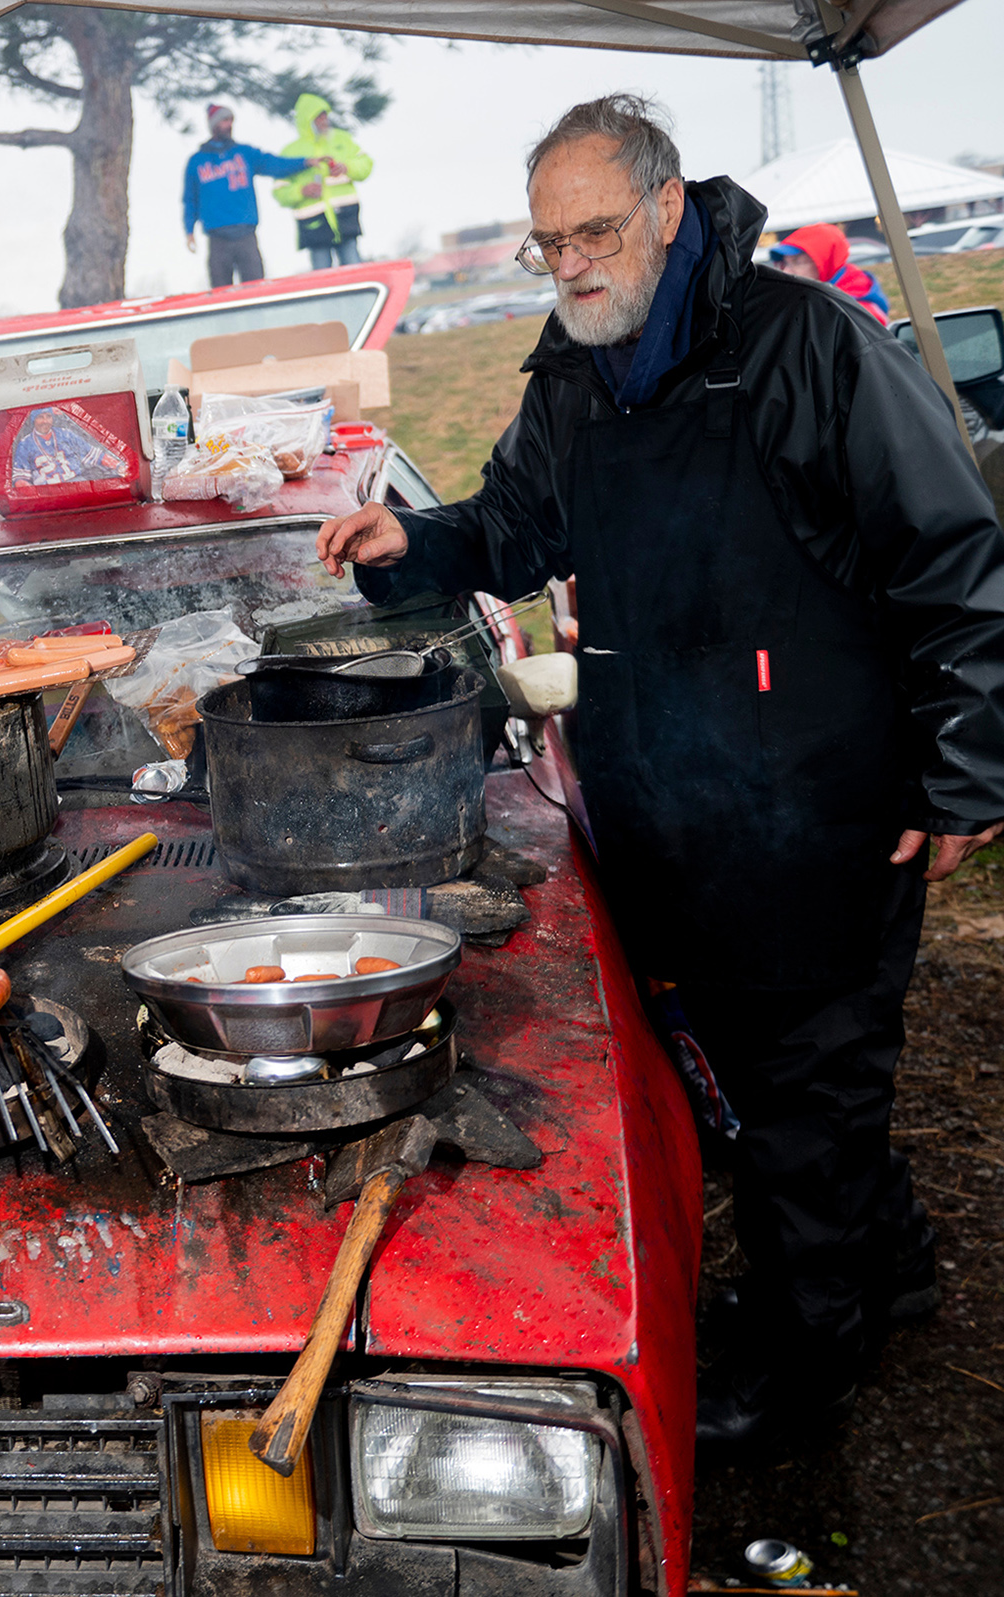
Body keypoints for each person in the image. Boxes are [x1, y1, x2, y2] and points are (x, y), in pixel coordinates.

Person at [312, 96, 1004, 1447]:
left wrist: (965, 772)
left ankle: (813, 1369)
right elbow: (511, 525)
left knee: (810, 1083)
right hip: (668, 807)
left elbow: (959, 561)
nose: (572, 264)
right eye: (547, 242)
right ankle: (887, 1266)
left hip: (822, 807)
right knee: (766, 1077)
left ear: (672, 207)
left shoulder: (806, 347)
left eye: (597, 231)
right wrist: (417, 547)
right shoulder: (577, 377)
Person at [181, 103, 315, 288]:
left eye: (231, 121)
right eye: (225, 120)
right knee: (221, 294)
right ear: (214, 125)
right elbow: (190, 200)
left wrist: (305, 162)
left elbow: (274, 164)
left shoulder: (245, 153)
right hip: (217, 238)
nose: (229, 125)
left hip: (246, 234)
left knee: (256, 289)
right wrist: (189, 230)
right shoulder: (196, 162)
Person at [272, 92, 375, 270]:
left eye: (325, 115)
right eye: (318, 117)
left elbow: (366, 164)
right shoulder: (290, 151)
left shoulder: (342, 139)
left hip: (345, 218)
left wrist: (347, 167)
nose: (323, 120)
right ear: (307, 120)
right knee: (322, 278)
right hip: (314, 226)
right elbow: (279, 192)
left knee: (354, 271)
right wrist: (301, 191)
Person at [769, 223, 892, 325]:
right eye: (785, 264)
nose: (786, 272)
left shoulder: (859, 308)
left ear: (825, 262)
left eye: (798, 262)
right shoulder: (809, 296)